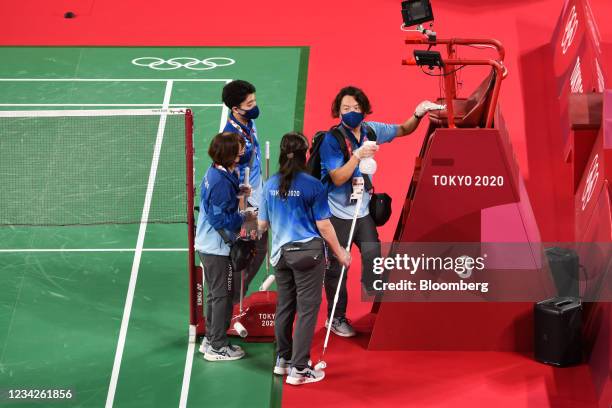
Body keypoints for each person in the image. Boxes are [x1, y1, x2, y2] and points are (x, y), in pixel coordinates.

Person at [319, 86, 444, 337]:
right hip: (336, 215)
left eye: (356, 108)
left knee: (373, 255)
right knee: (337, 269)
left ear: (363, 109)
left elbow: (403, 129)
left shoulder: (371, 130)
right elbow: (338, 178)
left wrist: (418, 114)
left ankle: (376, 298)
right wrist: (356, 156)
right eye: (346, 108)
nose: (351, 112)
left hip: (362, 210)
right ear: (338, 111)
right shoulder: (330, 140)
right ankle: (337, 318)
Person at [258, 132, 351, 385]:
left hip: (280, 257)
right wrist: (341, 252)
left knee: (285, 306)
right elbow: (324, 225)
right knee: (308, 311)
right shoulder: (313, 185)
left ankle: (283, 361)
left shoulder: (269, 184)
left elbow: (262, 224)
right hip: (307, 255)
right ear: (305, 154)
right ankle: (300, 369)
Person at [195, 131, 256, 361]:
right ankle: (218, 347)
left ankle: (211, 339)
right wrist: (245, 216)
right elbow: (220, 219)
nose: (242, 153)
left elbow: (218, 201)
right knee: (222, 296)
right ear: (229, 154)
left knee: (215, 296)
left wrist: (238, 192)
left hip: (208, 244)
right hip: (215, 247)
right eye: (238, 151)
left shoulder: (216, 171)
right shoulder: (220, 182)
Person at [221, 79, 268, 302]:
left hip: (258, 195)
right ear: (235, 109)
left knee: (260, 245)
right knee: (247, 251)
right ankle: (233, 301)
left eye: (254, 100)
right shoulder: (231, 139)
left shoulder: (247, 121)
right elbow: (233, 180)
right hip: (247, 204)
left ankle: (238, 294)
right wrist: (246, 212)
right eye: (249, 104)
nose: (254, 106)